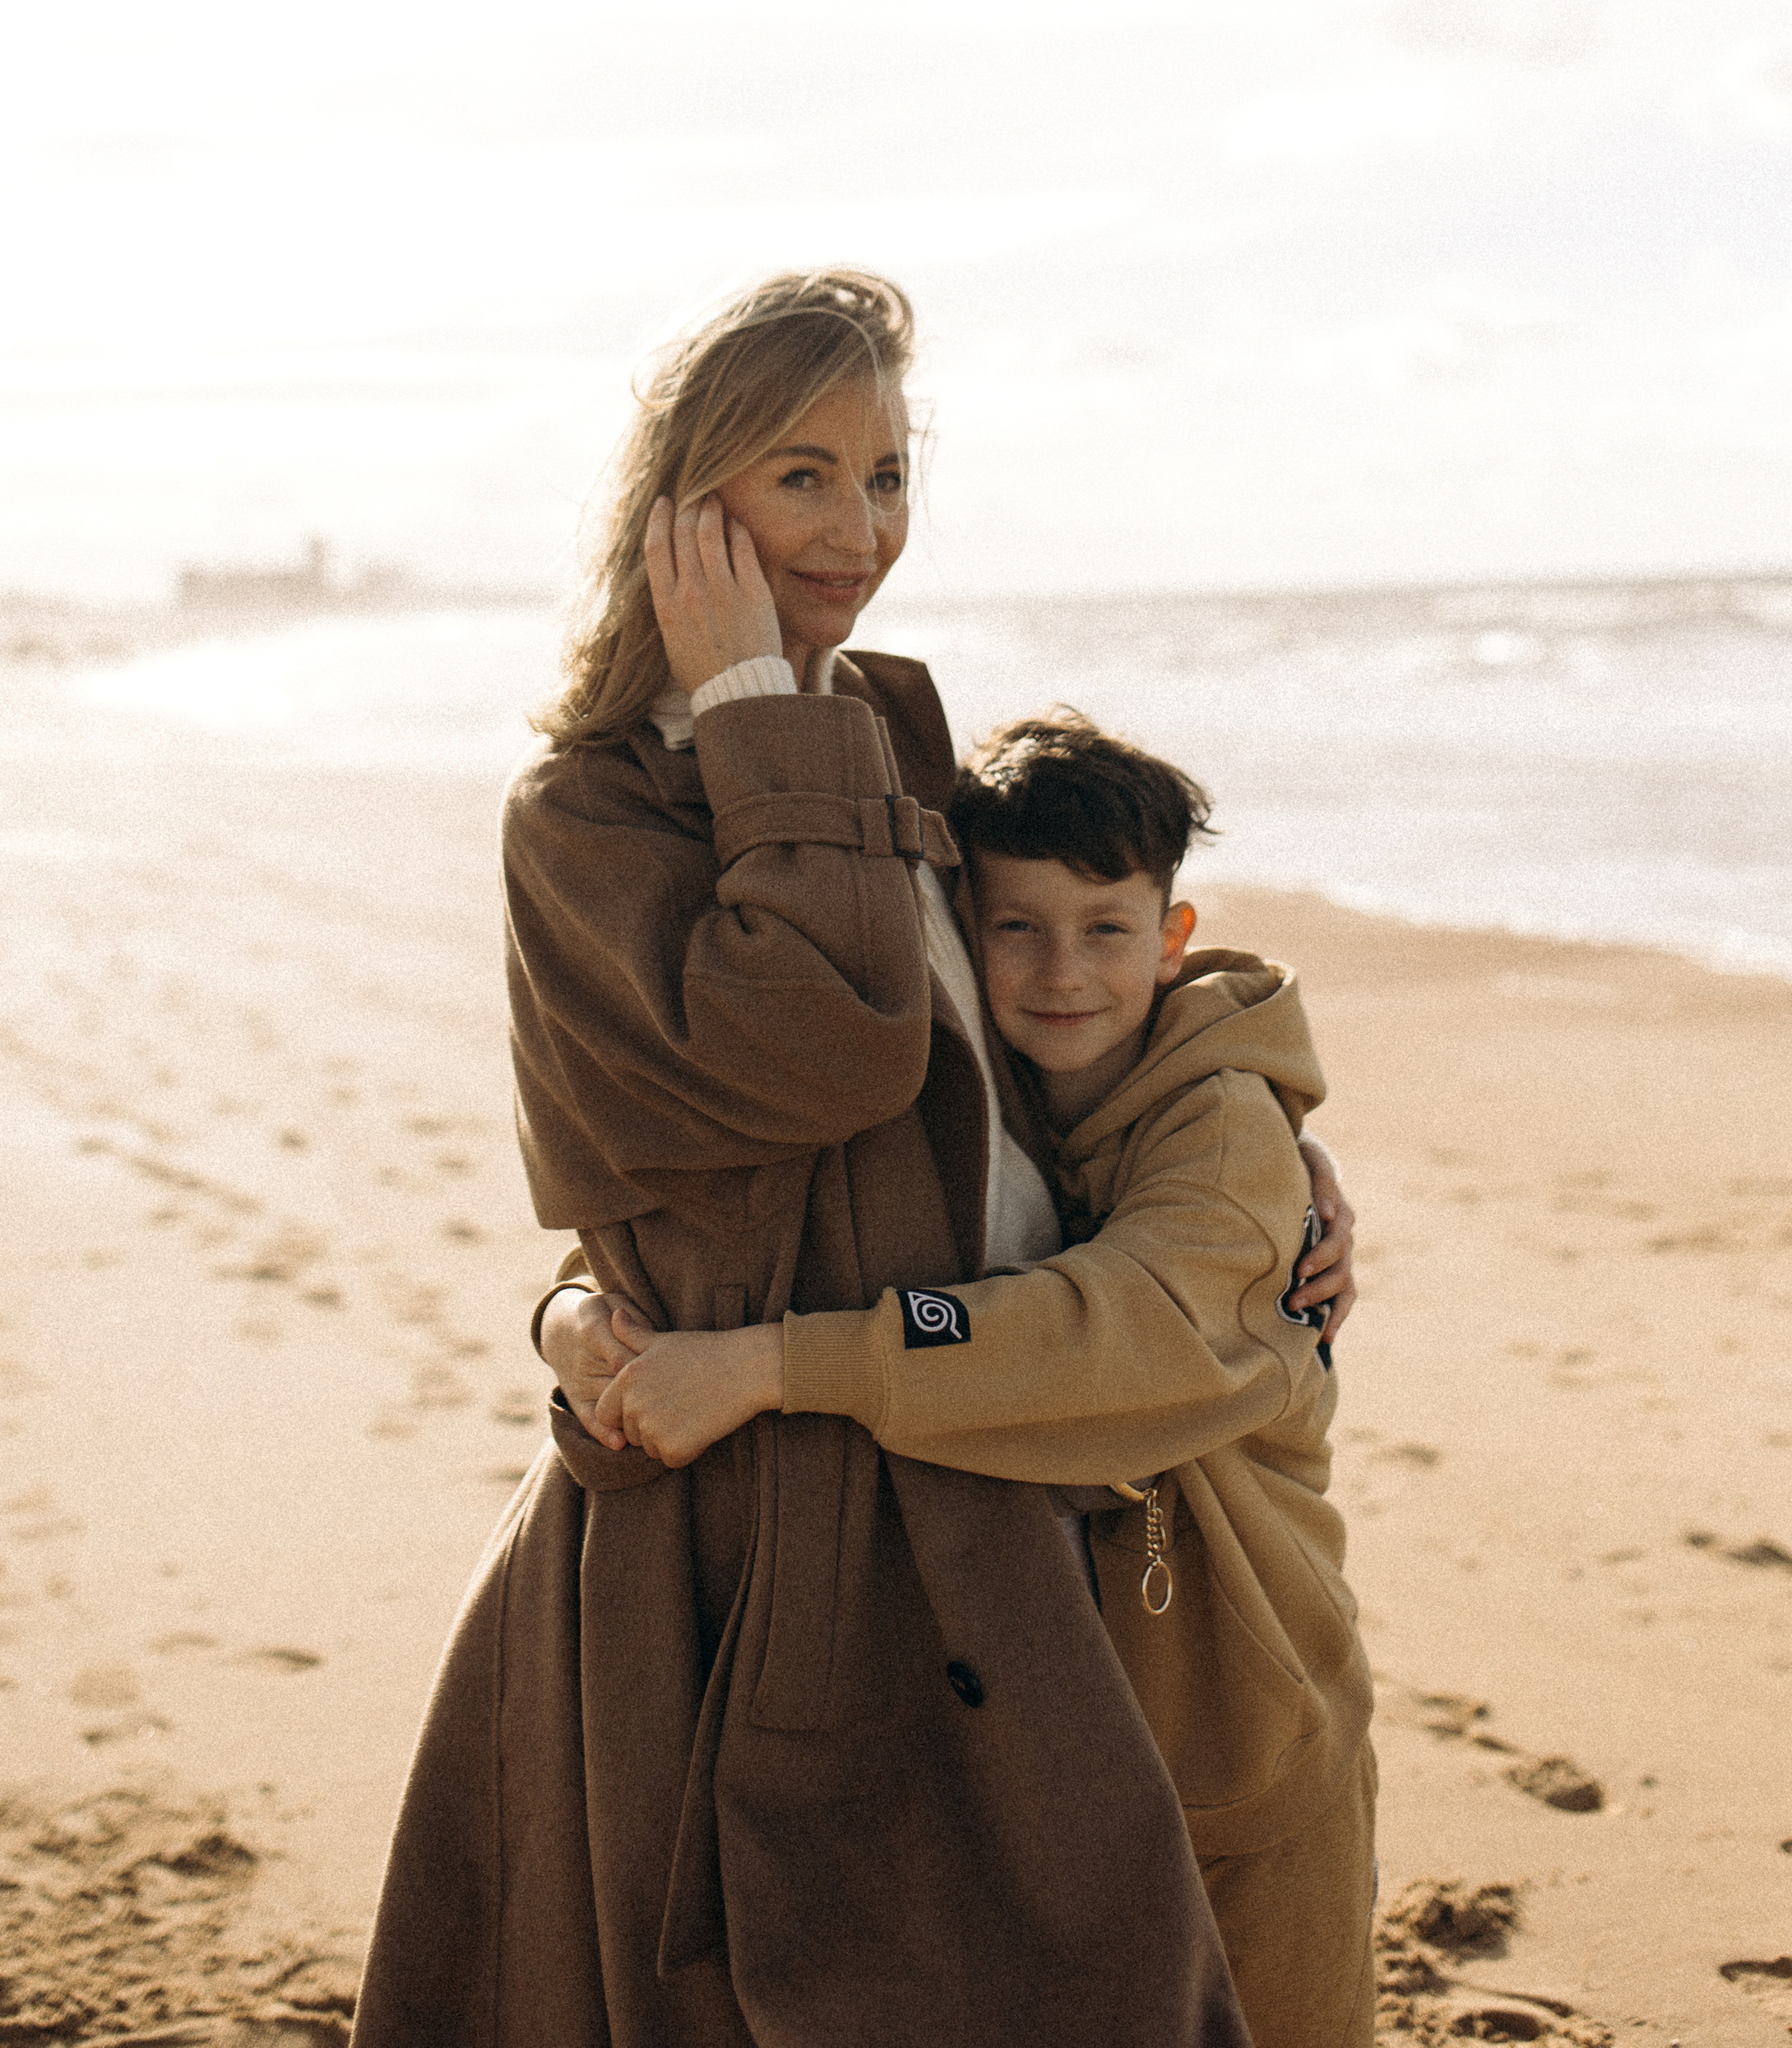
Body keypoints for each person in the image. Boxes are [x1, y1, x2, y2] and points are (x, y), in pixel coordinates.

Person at [349, 269, 1257, 2048]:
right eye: (800, 477)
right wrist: (758, 716)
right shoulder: (583, 814)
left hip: (962, 1452)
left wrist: (1249, 1139)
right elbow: (820, 1056)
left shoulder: (894, 741)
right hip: (731, 1523)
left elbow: (1055, 1005)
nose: (860, 530)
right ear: (685, 503)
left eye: (888, 475)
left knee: (1085, 1955)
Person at [573, 712, 1375, 2048]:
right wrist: (570, 1321)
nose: (1064, 971)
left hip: (1245, 1707)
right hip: (1038, 1716)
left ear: (1171, 942)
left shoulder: (1228, 1126)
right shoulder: (975, 1109)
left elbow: (1102, 1330)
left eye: (1108, 930)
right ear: (957, 932)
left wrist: (781, 1365)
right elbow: (712, 1238)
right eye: (1017, 928)